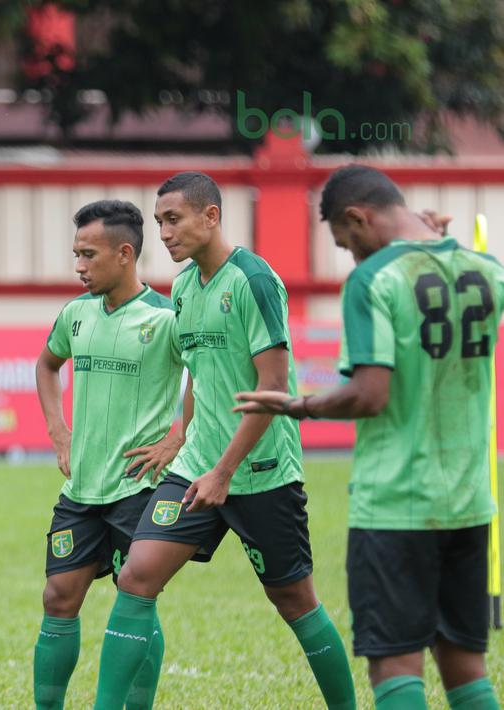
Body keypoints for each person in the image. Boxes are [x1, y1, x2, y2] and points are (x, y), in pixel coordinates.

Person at [234, 164, 503, 710]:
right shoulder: (486, 269)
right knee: (465, 667)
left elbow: (369, 393)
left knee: (396, 666)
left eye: (347, 240)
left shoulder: (374, 279)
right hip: (470, 502)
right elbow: (435, 271)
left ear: (358, 217)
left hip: (396, 504)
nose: (351, 256)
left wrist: (299, 405)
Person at [92, 171, 356, 709]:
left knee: (294, 600)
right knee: (137, 578)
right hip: (197, 469)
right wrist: (180, 436)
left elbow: (273, 388)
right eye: (159, 220)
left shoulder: (255, 281)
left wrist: (226, 471)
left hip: (260, 472)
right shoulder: (184, 287)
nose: (163, 233)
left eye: (174, 219)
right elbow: (197, 372)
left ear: (211, 217)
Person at [32, 200, 186, 710]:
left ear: (124, 253)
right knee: (58, 598)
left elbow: (209, 376)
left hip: (138, 487)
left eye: (87, 254)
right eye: (75, 254)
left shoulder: (167, 317)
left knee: (135, 600)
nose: (78, 266)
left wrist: (177, 436)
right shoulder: (75, 315)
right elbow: (47, 365)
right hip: (82, 489)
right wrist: (58, 430)